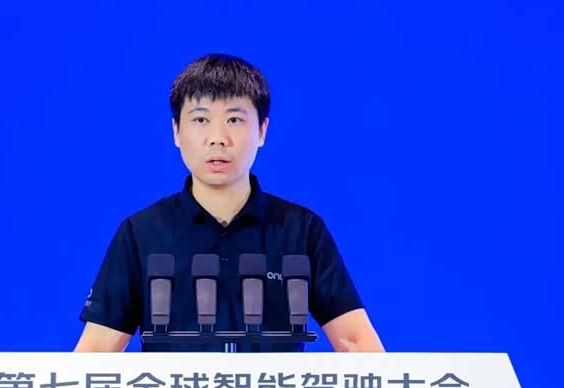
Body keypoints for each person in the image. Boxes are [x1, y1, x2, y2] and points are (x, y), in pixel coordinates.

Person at [74, 53, 385, 354]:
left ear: (262, 130)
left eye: (234, 119)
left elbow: (356, 343)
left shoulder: (301, 230)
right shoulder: (141, 233)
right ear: (176, 131)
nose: (218, 138)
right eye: (201, 119)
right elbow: (97, 352)